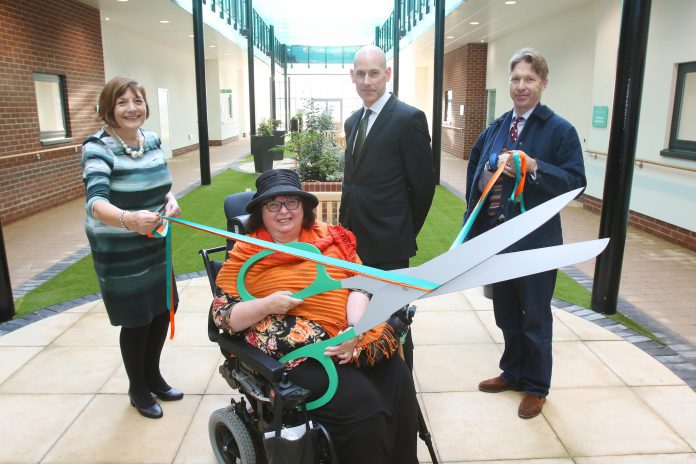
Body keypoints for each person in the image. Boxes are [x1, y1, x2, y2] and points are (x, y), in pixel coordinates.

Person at [212, 169, 419, 464]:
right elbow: (223, 317)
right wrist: (267, 304)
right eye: (273, 204)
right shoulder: (247, 253)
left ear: (304, 207)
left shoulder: (332, 239)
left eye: (292, 202)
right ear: (261, 211)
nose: (283, 211)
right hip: (298, 358)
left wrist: (355, 330)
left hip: (347, 339)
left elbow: (360, 283)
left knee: (398, 378)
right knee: (364, 402)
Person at [463, 48, 586, 419]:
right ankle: (513, 372)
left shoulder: (560, 130)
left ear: (543, 84)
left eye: (529, 79)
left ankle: (536, 386)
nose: (521, 86)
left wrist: (533, 168)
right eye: (516, 79)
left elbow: (576, 183)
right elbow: (476, 168)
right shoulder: (499, 125)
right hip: (497, 239)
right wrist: (488, 169)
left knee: (535, 317)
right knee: (505, 313)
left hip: (536, 242)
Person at [82, 76, 183, 419]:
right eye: (122, 102)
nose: (131, 108)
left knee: (162, 309)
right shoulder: (97, 147)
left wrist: (170, 201)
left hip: (154, 240)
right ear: (109, 108)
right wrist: (130, 220)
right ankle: (137, 388)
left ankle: (153, 376)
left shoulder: (151, 139)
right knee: (137, 319)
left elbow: (161, 184)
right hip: (120, 248)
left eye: (137, 100)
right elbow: (95, 202)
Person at [340, 44, 436, 369]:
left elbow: (423, 188)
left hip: (389, 247)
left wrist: (402, 231)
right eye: (361, 74)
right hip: (353, 245)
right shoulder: (353, 122)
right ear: (352, 76)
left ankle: (401, 389)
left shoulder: (408, 119)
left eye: (374, 73)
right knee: (360, 319)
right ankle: (370, 382)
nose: (367, 80)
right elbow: (353, 183)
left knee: (395, 325)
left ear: (388, 74)